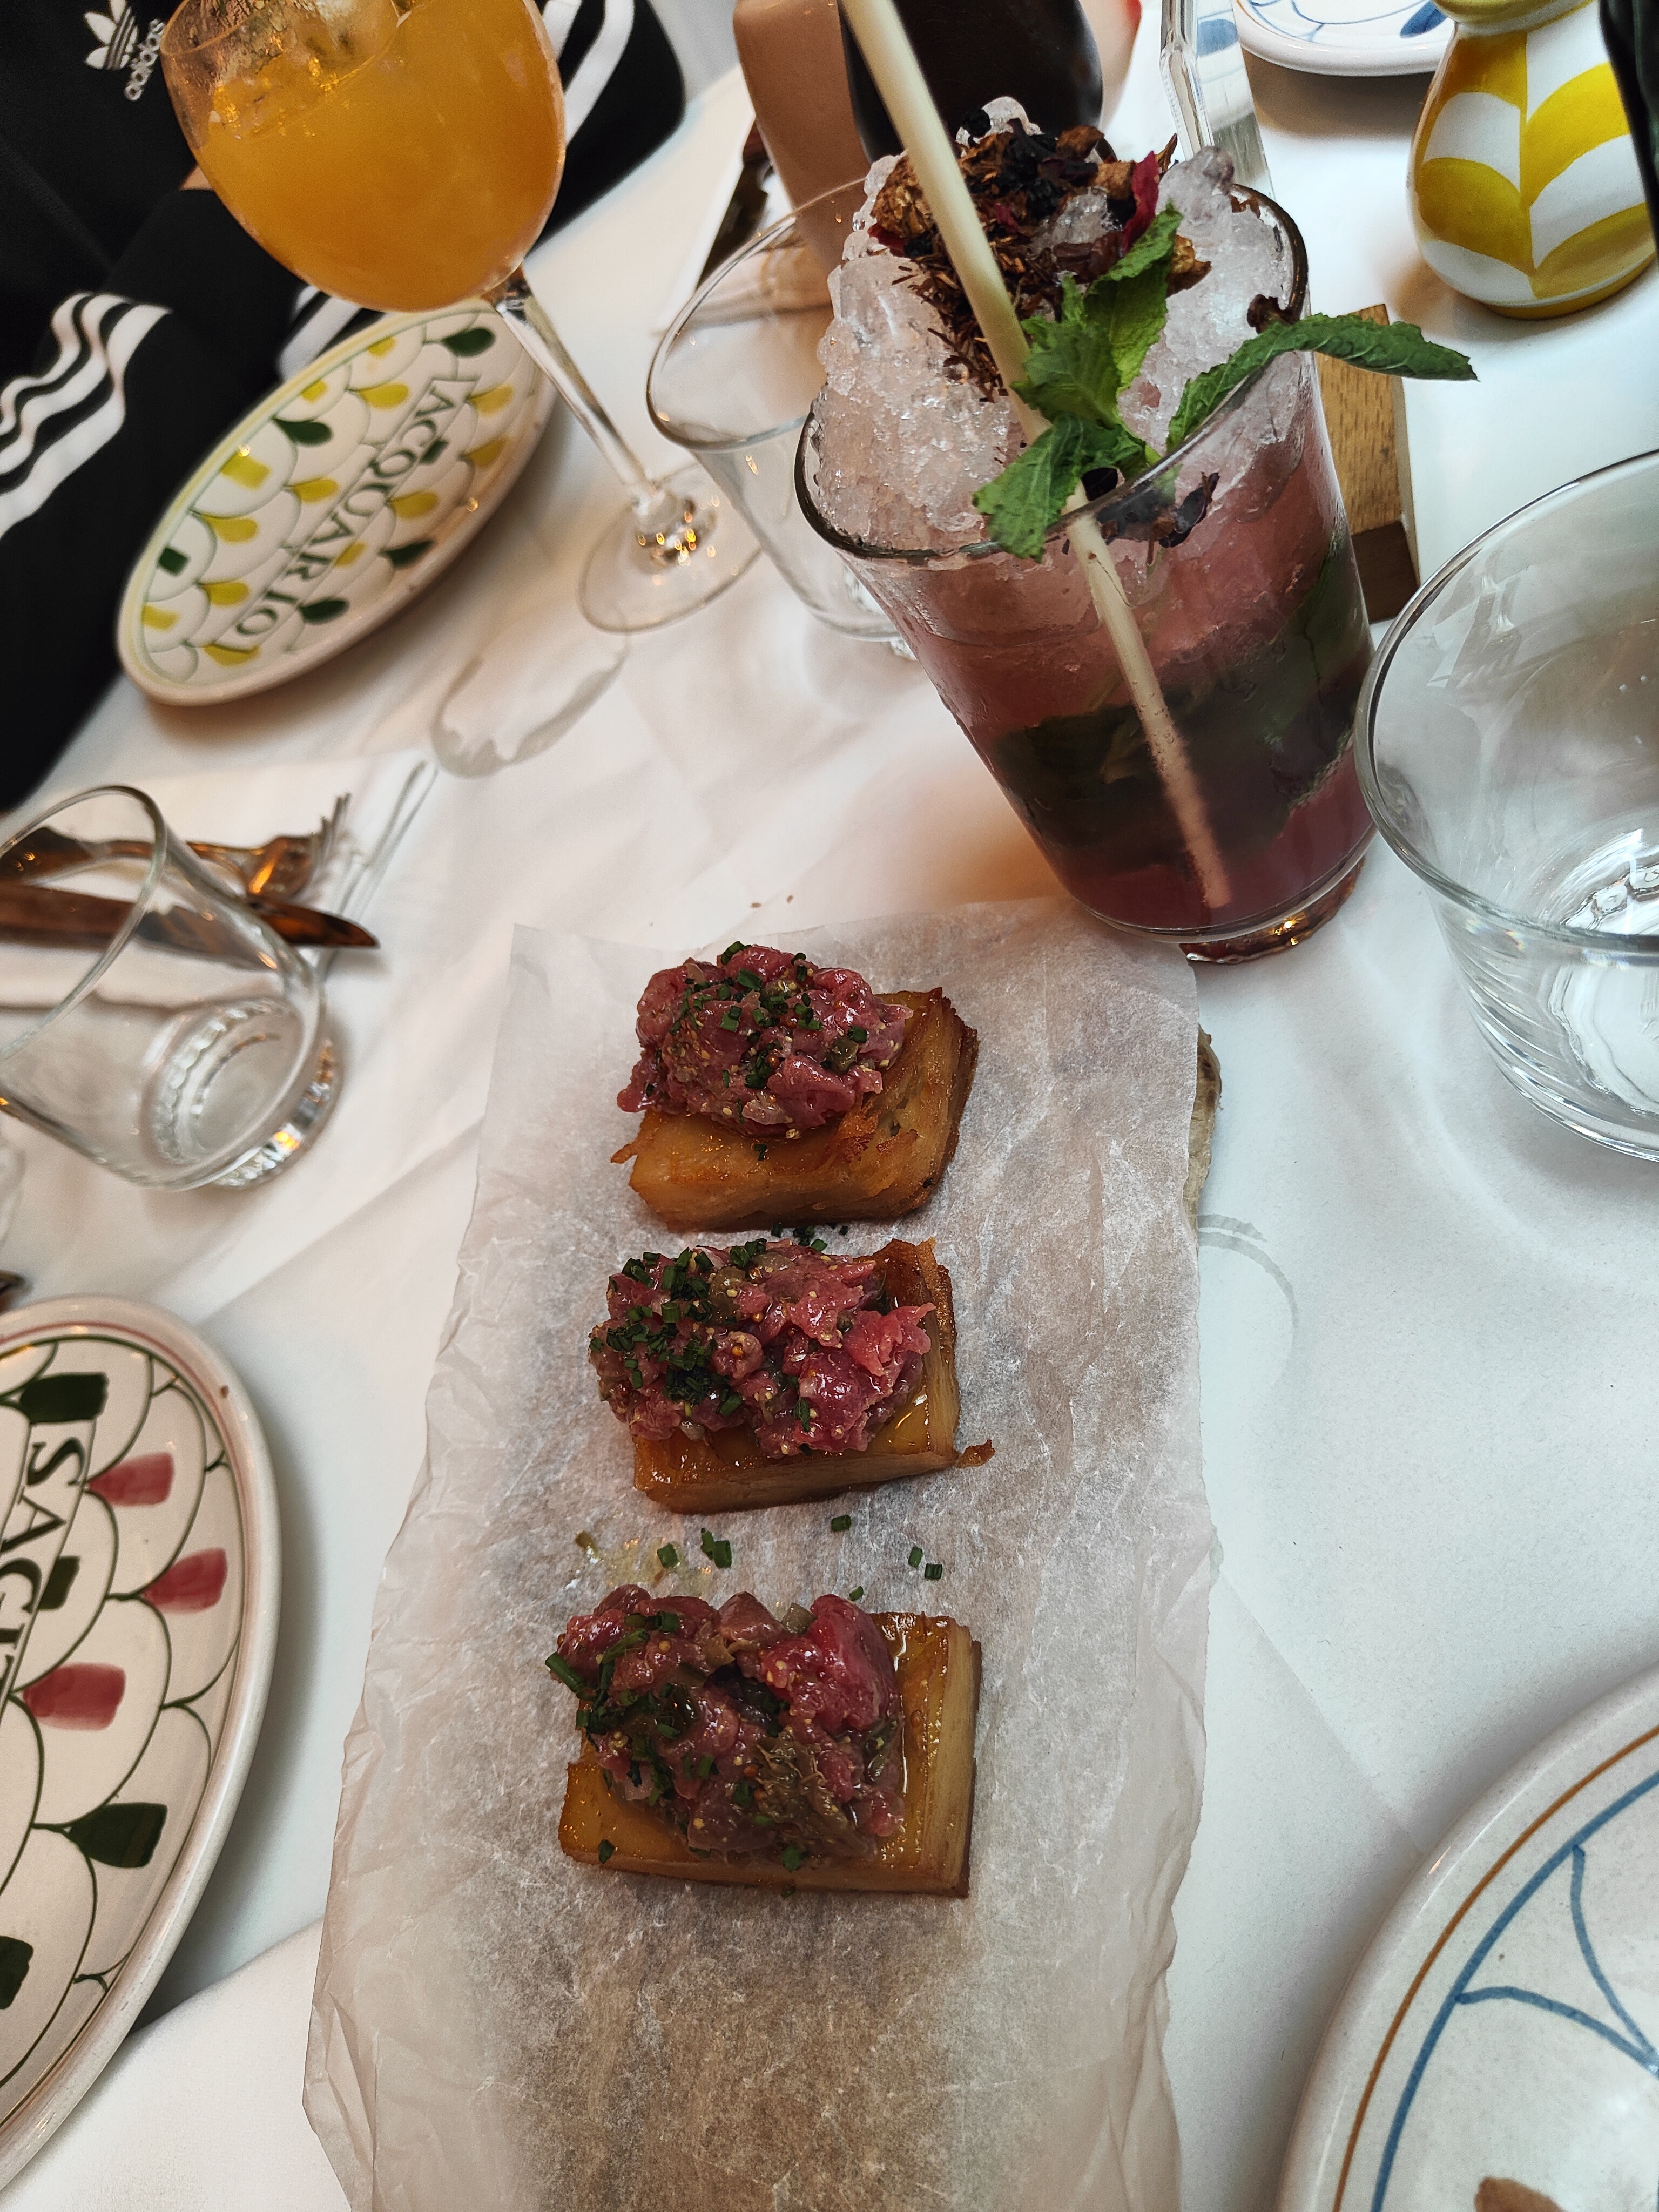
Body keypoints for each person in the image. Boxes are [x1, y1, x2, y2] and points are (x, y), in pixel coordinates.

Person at [0, 0, 684, 803]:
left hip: (563, 477)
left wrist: (199, 324)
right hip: (273, 746)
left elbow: (595, 55)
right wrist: (238, 202)